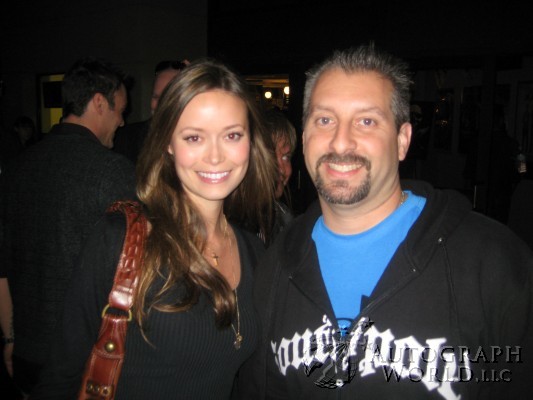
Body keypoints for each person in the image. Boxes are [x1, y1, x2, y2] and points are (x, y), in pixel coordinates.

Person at [238, 44, 533, 399]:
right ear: (305, 138)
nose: (341, 141)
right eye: (324, 120)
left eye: (366, 121)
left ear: (402, 140)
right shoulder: (275, 265)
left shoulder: (495, 263)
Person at [31, 58, 276, 399]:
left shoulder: (256, 251)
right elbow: (60, 378)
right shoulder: (122, 239)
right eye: (194, 137)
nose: (216, 156)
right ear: (168, 143)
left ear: (251, 141)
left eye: (232, 135)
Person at [0, 57, 137, 397]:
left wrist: (10, 339)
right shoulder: (112, 171)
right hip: (87, 359)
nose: (122, 121)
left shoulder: (17, 168)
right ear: (99, 103)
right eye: (120, 110)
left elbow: (2, 269)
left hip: (27, 355)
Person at [113, 59, 189, 164]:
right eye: (156, 97)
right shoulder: (125, 139)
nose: (160, 105)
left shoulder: (198, 142)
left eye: (168, 98)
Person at [263, 108, 297, 242]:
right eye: (270, 155)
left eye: (285, 157)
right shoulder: (228, 226)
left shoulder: (287, 222)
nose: (281, 169)